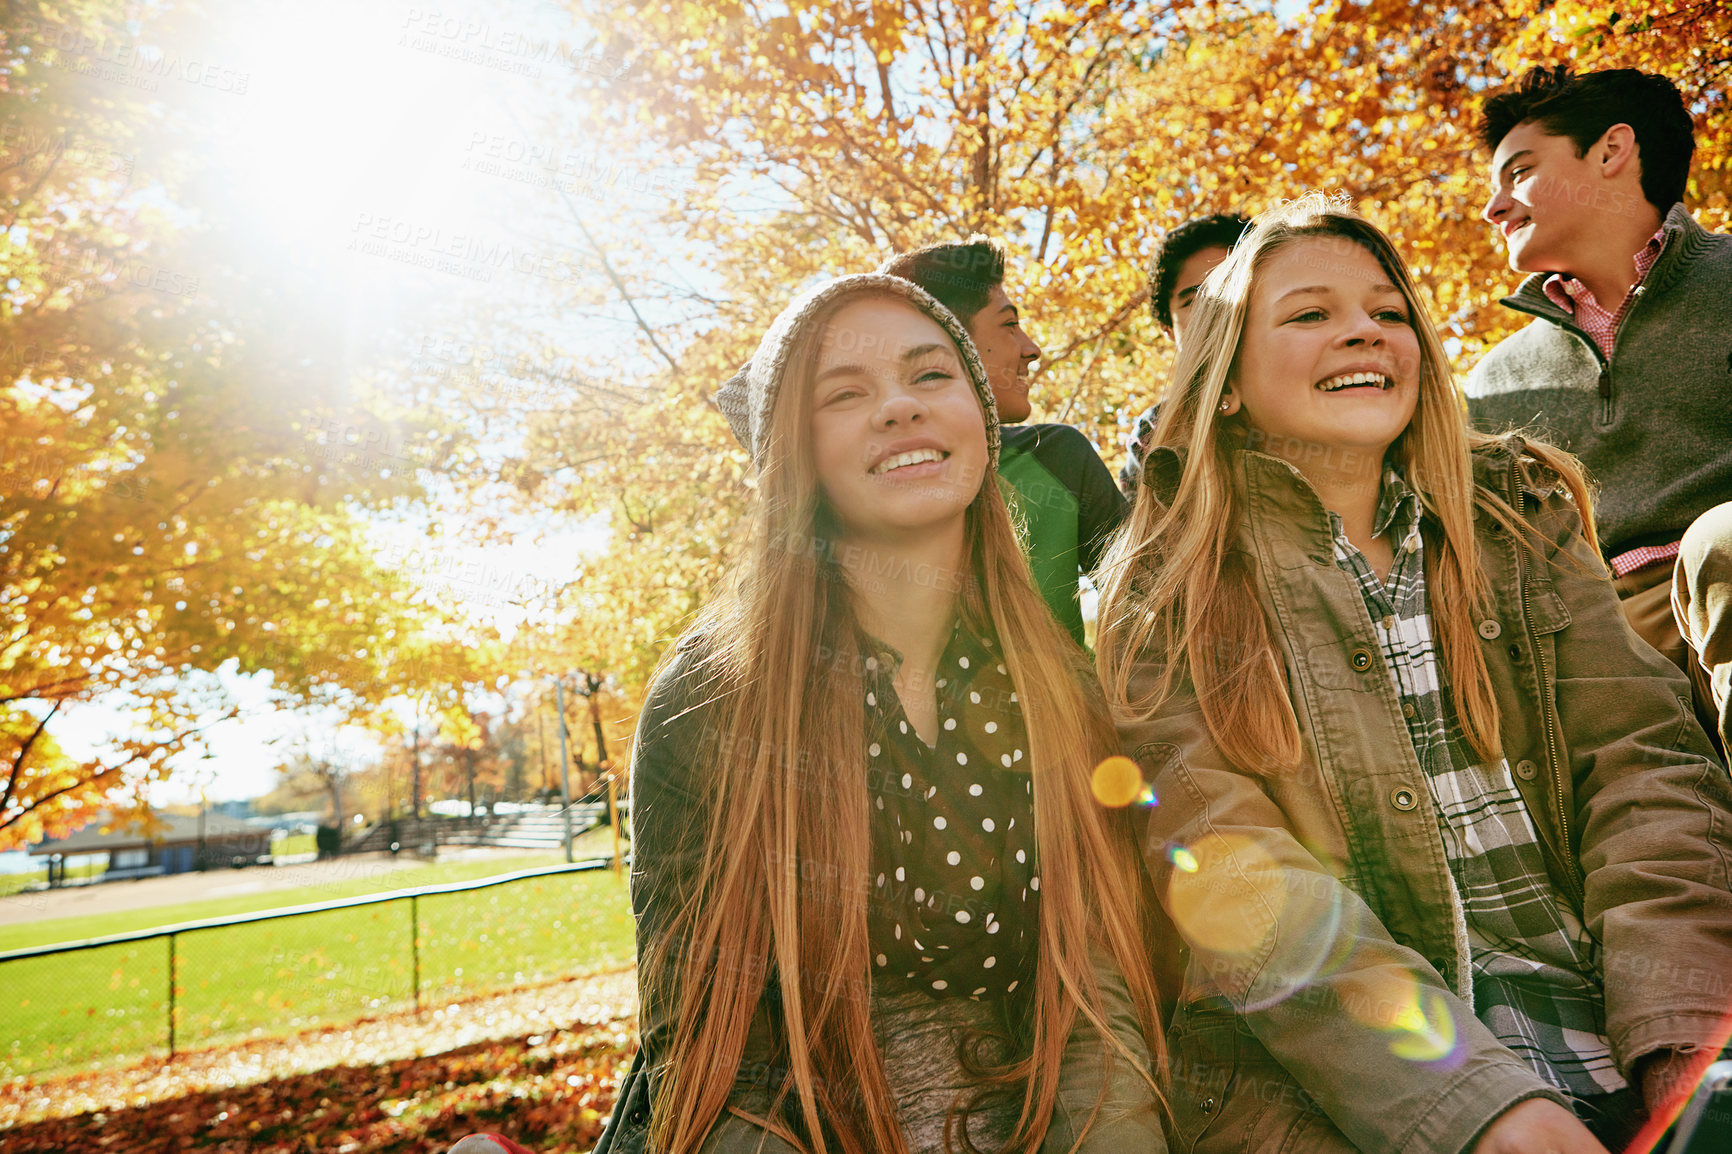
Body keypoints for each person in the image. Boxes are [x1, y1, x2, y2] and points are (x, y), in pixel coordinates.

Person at [1094, 193, 1732, 1154]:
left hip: (1622, 1023)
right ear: (1224, 378)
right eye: (1310, 314)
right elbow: (1244, 885)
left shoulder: (1519, 515)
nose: (1363, 331)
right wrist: (1480, 1107)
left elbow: (1645, 769)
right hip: (1363, 1093)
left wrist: (1678, 1030)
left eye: (1389, 313)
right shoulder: (1166, 589)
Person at [589, 273, 1167, 1154]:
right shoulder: (712, 700)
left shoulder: (1059, 686)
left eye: (931, 376)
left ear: (982, 419)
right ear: (793, 456)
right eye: (846, 393)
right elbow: (714, 1061)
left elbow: (1099, 1007)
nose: (899, 407)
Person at [1467, 65, 1732, 755]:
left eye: (1518, 173)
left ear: (1611, 152)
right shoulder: (1492, 386)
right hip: (1599, 656)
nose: (1494, 209)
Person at [880, 240, 1125, 647]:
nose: (1031, 348)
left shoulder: (1059, 457)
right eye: (1010, 325)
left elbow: (1155, 603)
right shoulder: (872, 477)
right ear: (949, 342)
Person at [1119, 213, 1249, 495]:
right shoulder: (1155, 433)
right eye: (1194, 299)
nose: (1217, 307)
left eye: (1232, 287)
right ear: (1168, 329)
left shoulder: (1318, 392)